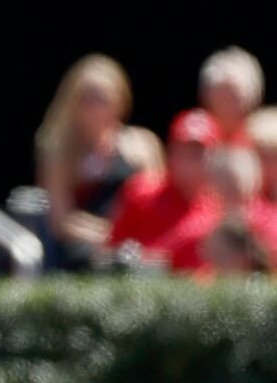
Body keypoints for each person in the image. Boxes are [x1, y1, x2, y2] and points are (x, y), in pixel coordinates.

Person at [34, 55, 163, 270]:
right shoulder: (59, 152)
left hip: (137, 241)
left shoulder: (142, 144)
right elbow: (60, 221)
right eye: (85, 99)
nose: (93, 107)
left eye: (102, 99)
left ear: (120, 100)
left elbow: (157, 203)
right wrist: (111, 236)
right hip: (86, 246)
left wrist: (130, 236)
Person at [105, 109, 222, 272]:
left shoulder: (222, 203)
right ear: (171, 152)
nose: (189, 160)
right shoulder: (142, 191)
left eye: (198, 152)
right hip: (145, 283)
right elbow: (111, 247)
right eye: (182, 150)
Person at [198, 46, 264, 145]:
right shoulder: (194, 139)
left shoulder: (265, 143)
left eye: (234, 97)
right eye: (221, 97)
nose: (227, 106)